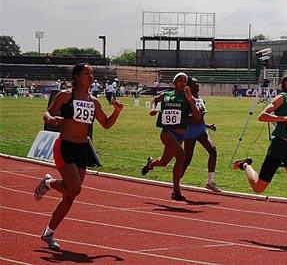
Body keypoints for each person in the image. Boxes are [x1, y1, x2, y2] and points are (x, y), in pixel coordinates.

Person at [34, 63, 123, 251]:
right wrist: (50, 119)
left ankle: (48, 232)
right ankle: (49, 183)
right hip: (65, 146)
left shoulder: (94, 102)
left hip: (83, 149)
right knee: (74, 188)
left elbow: (106, 124)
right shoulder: (66, 95)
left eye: (92, 74)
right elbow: (47, 112)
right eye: (86, 73)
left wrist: (116, 111)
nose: (91, 76)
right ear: (76, 77)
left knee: (70, 195)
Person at [233, 73, 287, 245]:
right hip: (279, 146)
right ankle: (244, 165)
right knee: (259, 187)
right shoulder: (283, 98)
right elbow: (263, 116)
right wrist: (284, 118)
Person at [141, 72, 201, 201]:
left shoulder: (188, 98)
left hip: (180, 136)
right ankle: (176, 191)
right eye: (179, 80)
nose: (182, 83)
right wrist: (153, 109)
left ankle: (151, 164)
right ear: (174, 83)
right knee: (181, 157)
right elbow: (154, 99)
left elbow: (197, 117)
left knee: (163, 162)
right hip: (167, 133)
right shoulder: (166, 95)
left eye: (184, 81)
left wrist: (191, 101)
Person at [182, 77, 220, 192]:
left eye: (198, 83)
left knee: (213, 151)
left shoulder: (200, 99)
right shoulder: (187, 100)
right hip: (190, 131)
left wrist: (208, 126)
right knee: (187, 159)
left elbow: (200, 117)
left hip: (201, 130)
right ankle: (177, 181)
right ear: (188, 86)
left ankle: (210, 182)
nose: (197, 85)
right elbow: (189, 118)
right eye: (194, 83)